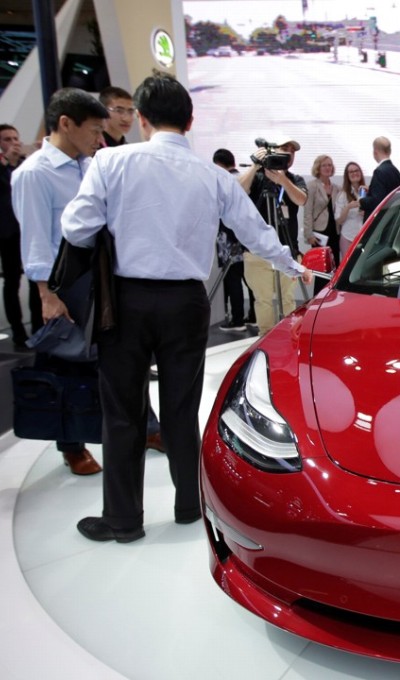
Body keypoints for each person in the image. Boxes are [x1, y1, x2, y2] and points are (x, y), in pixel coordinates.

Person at [61, 73, 312, 543]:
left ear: (140, 118)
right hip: (185, 302)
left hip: (126, 302)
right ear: (191, 120)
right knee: (181, 408)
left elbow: (77, 229)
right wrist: (292, 265)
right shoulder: (212, 175)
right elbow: (255, 231)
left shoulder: (111, 161)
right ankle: (188, 505)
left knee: (122, 413)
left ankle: (123, 520)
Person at [11, 88, 109, 476]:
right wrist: (46, 295)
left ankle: (141, 427)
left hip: (93, 277)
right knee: (65, 367)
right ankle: (70, 444)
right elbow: (34, 238)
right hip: (59, 285)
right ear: (65, 124)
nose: (98, 139)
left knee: (104, 361)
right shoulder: (34, 173)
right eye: (93, 129)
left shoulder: (88, 165)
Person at [239, 134, 307, 335]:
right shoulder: (258, 177)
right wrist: (254, 166)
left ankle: (290, 337)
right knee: (263, 299)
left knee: (287, 298)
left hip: (286, 249)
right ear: (273, 150)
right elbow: (238, 190)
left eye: (293, 151)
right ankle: (265, 338)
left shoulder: (294, 180)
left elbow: (301, 200)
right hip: (257, 251)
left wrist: (283, 180)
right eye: (285, 149)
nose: (290, 154)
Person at [212, 148, 248, 332]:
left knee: (232, 279)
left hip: (229, 239)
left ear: (218, 164)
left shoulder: (226, 180)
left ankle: (237, 319)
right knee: (247, 278)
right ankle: (252, 316)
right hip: (244, 238)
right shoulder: (244, 178)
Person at [0, 123, 29, 348]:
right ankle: (18, 331)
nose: (13, 143)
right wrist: (8, 163)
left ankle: (40, 328)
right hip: (7, 233)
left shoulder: (25, 165)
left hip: (27, 229)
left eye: (15, 138)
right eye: (7, 139)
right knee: (12, 282)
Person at [303, 154, 342, 265]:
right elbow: (308, 212)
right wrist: (309, 234)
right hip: (319, 233)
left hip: (335, 232)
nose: (327, 168)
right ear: (318, 168)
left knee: (335, 265)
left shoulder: (337, 188)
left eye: (329, 165)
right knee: (321, 267)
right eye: (324, 165)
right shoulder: (312, 186)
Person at [359, 136, 400, 216]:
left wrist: (361, 200)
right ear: (390, 151)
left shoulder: (379, 172)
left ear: (375, 151)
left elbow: (377, 201)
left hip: (381, 219)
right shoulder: (396, 171)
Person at [336, 161, 368, 258]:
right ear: (347, 176)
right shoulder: (343, 195)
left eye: (356, 170)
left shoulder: (367, 191)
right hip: (348, 236)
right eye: (351, 172)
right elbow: (339, 220)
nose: (354, 173)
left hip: (365, 236)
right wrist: (348, 207)